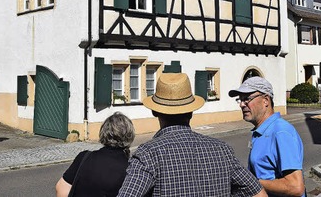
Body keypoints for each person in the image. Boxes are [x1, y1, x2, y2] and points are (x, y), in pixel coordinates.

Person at [117, 73, 266, 197]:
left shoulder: (148, 154)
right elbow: (258, 194)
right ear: (191, 112)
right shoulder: (222, 150)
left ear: (154, 111)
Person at [229, 76, 306, 197]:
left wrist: (250, 182)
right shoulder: (262, 131)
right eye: (240, 99)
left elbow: (295, 187)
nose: (242, 104)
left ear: (265, 100)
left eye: (247, 99)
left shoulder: (281, 132)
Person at [55, 111, 135, 197]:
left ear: (103, 132)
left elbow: (61, 189)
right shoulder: (131, 168)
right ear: (130, 135)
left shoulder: (84, 157)